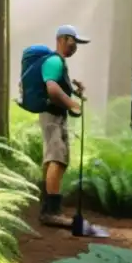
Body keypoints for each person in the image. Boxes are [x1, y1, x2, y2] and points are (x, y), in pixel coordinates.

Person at [38, 24, 88, 228]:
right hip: (52, 116)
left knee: (56, 158)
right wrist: (72, 104)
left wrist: (75, 93)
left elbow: (58, 87)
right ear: (62, 39)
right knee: (56, 158)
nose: (75, 46)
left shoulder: (58, 62)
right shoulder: (54, 61)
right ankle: (51, 211)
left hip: (56, 115)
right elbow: (51, 87)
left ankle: (49, 206)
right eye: (73, 41)